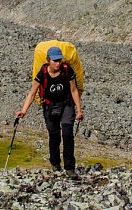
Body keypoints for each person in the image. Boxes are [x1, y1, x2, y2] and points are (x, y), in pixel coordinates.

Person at [16, 46, 84, 178]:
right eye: (54, 60)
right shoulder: (42, 73)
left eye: (59, 60)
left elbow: (74, 90)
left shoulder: (67, 70)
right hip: (49, 107)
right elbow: (32, 93)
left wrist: (79, 110)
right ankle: (55, 164)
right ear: (48, 60)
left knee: (68, 134)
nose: (57, 63)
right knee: (54, 136)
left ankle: (70, 168)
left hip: (66, 105)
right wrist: (23, 111)